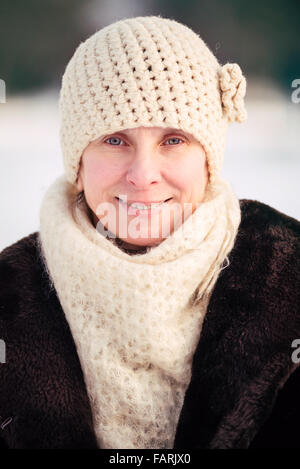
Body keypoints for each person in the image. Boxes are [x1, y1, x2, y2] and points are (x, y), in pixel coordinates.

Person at [0, 16, 299, 450]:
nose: (143, 176)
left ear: (208, 160)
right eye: (115, 140)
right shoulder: (10, 295)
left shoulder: (286, 276)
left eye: (173, 140)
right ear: (78, 164)